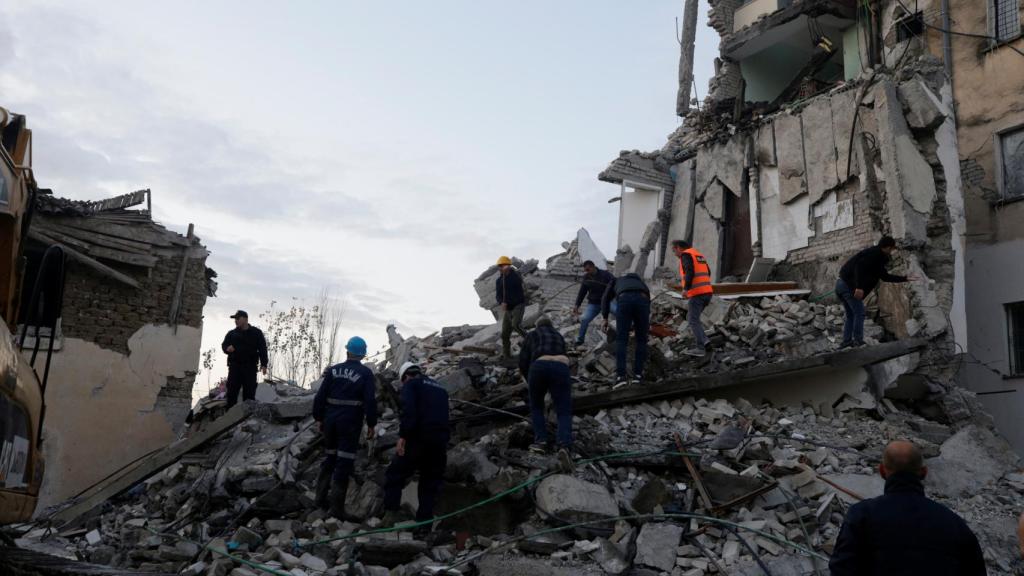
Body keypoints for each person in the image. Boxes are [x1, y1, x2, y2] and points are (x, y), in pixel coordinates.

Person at [829, 440, 986, 575]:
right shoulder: (954, 524)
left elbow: (841, 568)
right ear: (924, 472)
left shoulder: (862, 516)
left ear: (882, 471)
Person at [312, 336, 377, 520]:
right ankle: (337, 509)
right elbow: (370, 401)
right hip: (350, 422)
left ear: (347, 351)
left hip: (330, 421)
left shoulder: (333, 371)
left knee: (330, 457)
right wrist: (372, 423)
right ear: (362, 354)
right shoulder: (365, 374)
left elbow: (320, 397)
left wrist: (319, 417)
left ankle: (319, 500)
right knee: (344, 461)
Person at [381, 362, 450, 528]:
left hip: (418, 440)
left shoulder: (411, 385)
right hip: (440, 443)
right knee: (429, 482)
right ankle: (424, 526)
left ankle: (390, 518)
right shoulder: (440, 388)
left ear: (405, 376)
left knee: (394, 474)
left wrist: (403, 437)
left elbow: (409, 413)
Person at [836, 236, 918, 348]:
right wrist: (859, 287)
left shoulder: (877, 258)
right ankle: (858, 342)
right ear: (887, 247)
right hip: (848, 286)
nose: (891, 252)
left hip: (841, 284)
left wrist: (905, 278)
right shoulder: (875, 254)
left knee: (851, 315)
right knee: (859, 313)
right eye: (891, 249)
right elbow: (858, 266)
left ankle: (846, 342)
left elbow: (885, 277)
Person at [518, 316, 572, 454]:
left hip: (539, 366)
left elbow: (523, 360)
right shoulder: (558, 335)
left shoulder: (532, 334)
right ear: (551, 325)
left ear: (537, 326)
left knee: (537, 407)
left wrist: (529, 379)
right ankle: (564, 445)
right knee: (563, 409)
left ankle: (541, 442)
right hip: (561, 366)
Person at [602, 272, 651, 388]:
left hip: (624, 299)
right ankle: (638, 376)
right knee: (641, 340)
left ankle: (621, 377)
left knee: (622, 340)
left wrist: (605, 318)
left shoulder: (616, 280)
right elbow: (647, 302)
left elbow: (605, 298)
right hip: (642, 301)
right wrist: (639, 325)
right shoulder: (641, 283)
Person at [671, 240, 714, 357]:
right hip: (707, 292)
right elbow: (708, 272)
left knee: (692, 319)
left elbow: (690, 271)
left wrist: (686, 288)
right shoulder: (698, 255)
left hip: (697, 293)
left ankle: (702, 347)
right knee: (694, 318)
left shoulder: (686, 255)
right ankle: (704, 342)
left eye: (674, 250)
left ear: (679, 248)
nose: (674, 254)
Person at [221, 310, 268, 407]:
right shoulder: (232, 334)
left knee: (249, 395)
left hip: (250, 367)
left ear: (245, 319)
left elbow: (263, 349)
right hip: (235, 367)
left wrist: (264, 364)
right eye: (235, 319)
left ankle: (248, 419)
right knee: (232, 393)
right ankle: (230, 418)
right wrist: (227, 348)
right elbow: (224, 345)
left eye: (238, 318)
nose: (236, 321)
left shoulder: (256, 333)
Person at [573, 260, 616, 348]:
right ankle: (580, 340)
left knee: (619, 311)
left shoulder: (605, 274)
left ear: (593, 267)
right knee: (584, 319)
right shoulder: (586, 277)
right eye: (585, 270)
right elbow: (582, 292)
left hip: (607, 302)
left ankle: (628, 330)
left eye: (588, 270)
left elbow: (615, 283)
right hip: (594, 303)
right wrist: (577, 305)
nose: (586, 272)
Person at [495, 256, 528, 359]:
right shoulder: (499, 280)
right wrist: (501, 302)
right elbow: (498, 295)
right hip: (508, 309)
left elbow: (519, 281)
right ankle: (507, 356)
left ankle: (531, 340)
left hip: (518, 305)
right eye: (500, 266)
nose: (501, 268)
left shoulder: (515, 276)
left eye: (503, 265)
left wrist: (511, 271)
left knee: (516, 325)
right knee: (504, 334)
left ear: (509, 266)